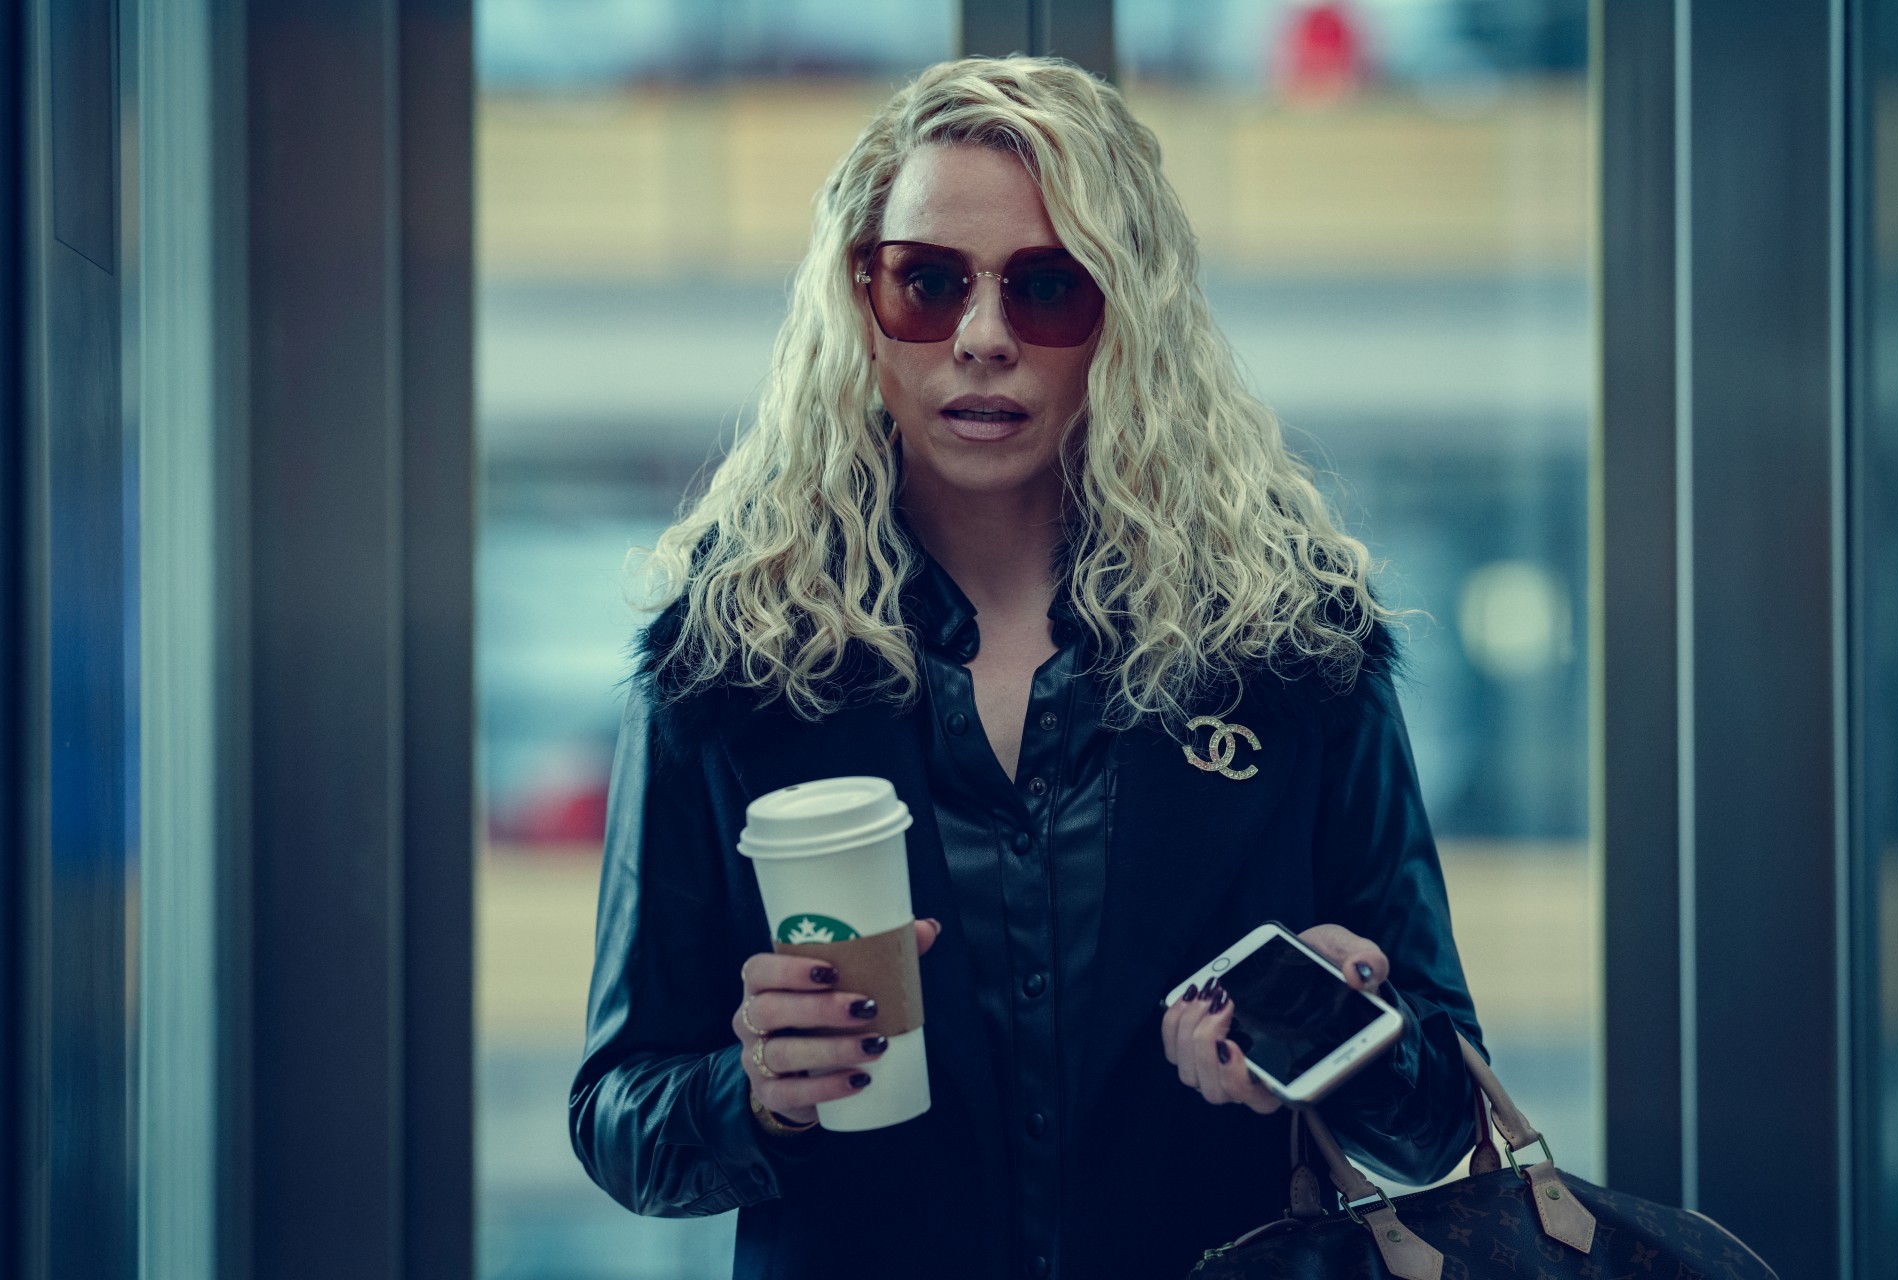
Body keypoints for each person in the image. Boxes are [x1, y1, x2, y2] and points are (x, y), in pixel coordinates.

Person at [570, 55, 1484, 1280]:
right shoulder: (730, 664)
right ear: (862, 302)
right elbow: (618, 1115)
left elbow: (1440, 1119)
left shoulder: (1292, 651)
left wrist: (1328, 1034)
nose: (984, 338)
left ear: (1128, 315)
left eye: (1048, 288)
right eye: (929, 283)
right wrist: (756, 1091)